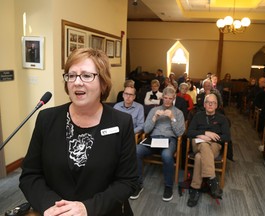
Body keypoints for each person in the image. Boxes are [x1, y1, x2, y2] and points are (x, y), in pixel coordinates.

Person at [19, 48, 138, 216]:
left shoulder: (121, 122)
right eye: (71, 75)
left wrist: (87, 208)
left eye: (87, 75)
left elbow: (128, 181)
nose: (77, 82)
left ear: (103, 83)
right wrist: (51, 206)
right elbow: (30, 175)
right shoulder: (46, 118)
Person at [130, 87, 185, 202]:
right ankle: (138, 184)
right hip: (153, 139)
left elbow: (180, 132)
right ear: (162, 98)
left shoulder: (178, 113)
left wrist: (172, 118)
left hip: (169, 140)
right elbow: (146, 129)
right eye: (165, 98)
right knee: (136, 150)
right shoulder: (154, 110)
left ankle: (168, 187)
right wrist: (154, 118)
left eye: (170, 98)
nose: (167, 101)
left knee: (166, 155)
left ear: (174, 99)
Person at [186, 93, 231, 207]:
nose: (210, 104)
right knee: (204, 145)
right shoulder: (197, 116)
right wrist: (203, 134)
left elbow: (227, 137)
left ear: (217, 105)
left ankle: (195, 188)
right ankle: (212, 179)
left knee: (199, 157)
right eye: (208, 102)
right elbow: (189, 132)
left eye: (213, 103)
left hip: (214, 145)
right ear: (204, 104)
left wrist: (211, 137)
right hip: (198, 143)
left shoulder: (222, 118)